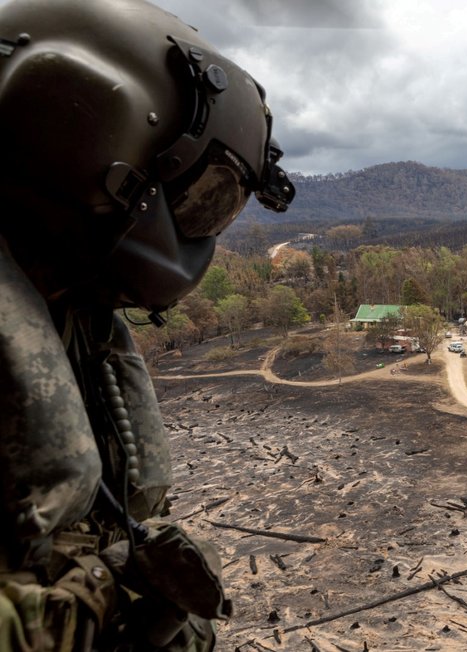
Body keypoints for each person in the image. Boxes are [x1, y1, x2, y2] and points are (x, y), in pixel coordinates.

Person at [0, 0, 294, 649]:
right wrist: (82, 608)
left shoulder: (69, 314)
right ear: (84, 136)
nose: (199, 228)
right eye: (195, 196)